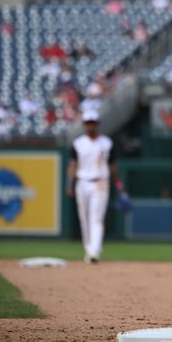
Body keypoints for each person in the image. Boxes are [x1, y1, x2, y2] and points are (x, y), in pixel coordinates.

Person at [66, 110, 126, 264]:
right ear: (84, 124)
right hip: (82, 182)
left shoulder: (106, 142)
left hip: (101, 182)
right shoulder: (78, 143)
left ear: (97, 124)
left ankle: (94, 250)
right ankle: (89, 249)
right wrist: (70, 183)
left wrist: (118, 182)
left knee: (96, 218)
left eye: (93, 122)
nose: (90, 125)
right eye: (88, 123)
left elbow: (112, 165)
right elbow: (73, 164)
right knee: (84, 218)